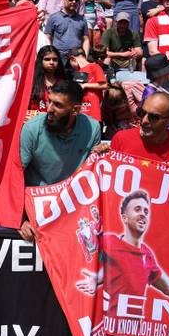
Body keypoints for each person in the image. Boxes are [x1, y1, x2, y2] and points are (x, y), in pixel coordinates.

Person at [19, 80, 104, 240]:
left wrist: (104, 158)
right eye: (49, 101)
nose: (49, 109)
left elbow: (91, 176)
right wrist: (20, 219)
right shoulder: (31, 129)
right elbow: (15, 177)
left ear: (75, 110)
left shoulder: (93, 129)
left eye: (57, 105)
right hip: (36, 207)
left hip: (72, 209)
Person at [110, 91, 169, 169]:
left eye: (154, 117)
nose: (144, 121)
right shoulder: (121, 139)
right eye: (142, 113)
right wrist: (102, 155)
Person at [44, 0, 89, 68]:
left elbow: (86, 39)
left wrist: (85, 57)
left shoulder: (82, 19)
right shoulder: (53, 18)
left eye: (76, 0)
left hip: (77, 58)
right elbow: (47, 38)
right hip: (59, 57)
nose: (74, 2)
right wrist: (51, 56)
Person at [67, 47, 107, 125]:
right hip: (81, 110)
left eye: (69, 63)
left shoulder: (94, 66)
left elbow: (104, 85)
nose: (71, 66)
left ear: (72, 58)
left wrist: (85, 85)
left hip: (93, 110)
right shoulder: (77, 72)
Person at [28, 45, 65, 113]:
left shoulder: (64, 84)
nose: (51, 62)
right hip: (35, 118)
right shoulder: (31, 83)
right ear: (40, 61)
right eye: (47, 59)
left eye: (55, 59)